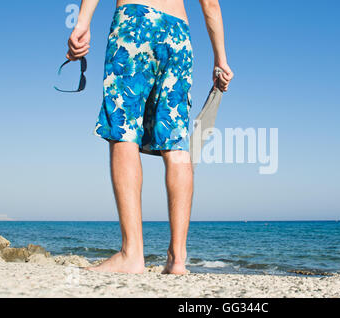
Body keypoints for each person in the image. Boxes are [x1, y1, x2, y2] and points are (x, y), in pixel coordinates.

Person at [66, 0, 234, 274]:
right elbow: (211, 5)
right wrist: (221, 60)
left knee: (124, 130)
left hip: (135, 21)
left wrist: (83, 21)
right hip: (178, 33)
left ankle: (132, 254)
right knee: (177, 144)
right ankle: (177, 259)